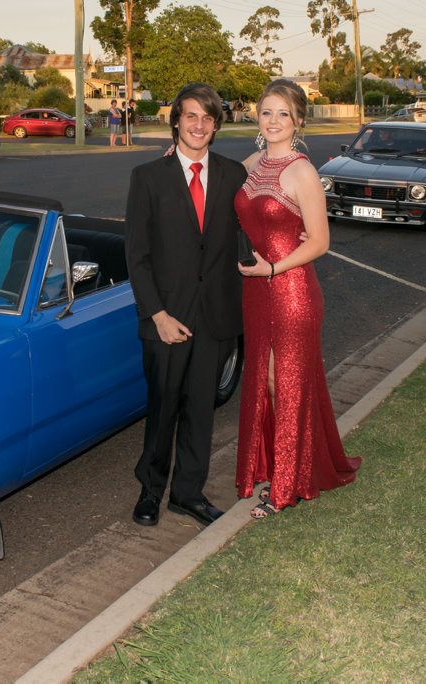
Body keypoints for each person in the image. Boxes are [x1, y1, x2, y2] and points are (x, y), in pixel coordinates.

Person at [233, 79, 361, 518]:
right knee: (264, 381)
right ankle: (281, 467)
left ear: (299, 120)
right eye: (267, 111)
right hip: (256, 291)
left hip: (291, 292)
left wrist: (273, 267)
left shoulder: (302, 171)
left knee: (282, 382)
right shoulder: (251, 163)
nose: (273, 121)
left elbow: (320, 241)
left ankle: (284, 487)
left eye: (283, 113)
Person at [124, 83, 248, 527]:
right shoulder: (148, 178)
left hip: (215, 318)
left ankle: (188, 494)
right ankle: (151, 491)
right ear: (176, 119)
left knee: (200, 411)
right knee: (162, 410)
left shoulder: (236, 176)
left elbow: (251, 234)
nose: (199, 125)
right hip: (165, 319)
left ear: (216, 126)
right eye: (191, 116)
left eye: (208, 118)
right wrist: (157, 315)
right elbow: (136, 256)